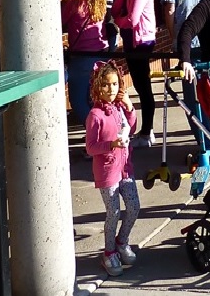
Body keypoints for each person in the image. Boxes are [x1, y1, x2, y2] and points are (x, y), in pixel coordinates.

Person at [86, 60, 140, 278]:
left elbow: (132, 126)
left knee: (134, 206)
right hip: (107, 172)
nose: (111, 89)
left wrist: (129, 106)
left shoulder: (119, 108)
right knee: (114, 213)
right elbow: (90, 147)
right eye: (106, 85)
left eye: (115, 84)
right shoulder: (95, 115)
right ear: (98, 87)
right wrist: (110, 145)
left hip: (125, 167)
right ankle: (109, 252)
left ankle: (122, 241)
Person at [161, 0, 210, 141]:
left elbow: (169, 8)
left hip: (187, 44)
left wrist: (174, 37)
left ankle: (202, 141)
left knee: (192, 97)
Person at [111, 0, 157, 147]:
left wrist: (118, 20)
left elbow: (132, 18)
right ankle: (147, 131)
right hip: (132, 40)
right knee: (140, 85)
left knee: (143, 86)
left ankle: (147, 132)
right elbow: (115, 9)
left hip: (140, 41)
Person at [62, 0, 109, 126]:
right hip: (100, 55)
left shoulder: (75, 2)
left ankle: (94, 132)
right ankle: (104, 132)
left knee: (78, 100)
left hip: (81, 58)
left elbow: (59, 21)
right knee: (96, 99)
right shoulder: (100, 3)